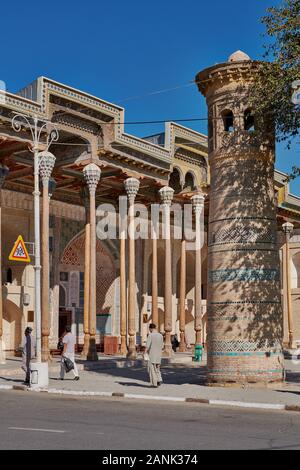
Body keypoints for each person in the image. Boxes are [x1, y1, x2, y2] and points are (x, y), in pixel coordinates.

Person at [145, 323, 164, 388]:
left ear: (150, 328)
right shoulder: (160, 335)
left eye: (149, 329)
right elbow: (162, 346)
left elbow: (147, 346)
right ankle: (159, 379)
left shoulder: (150, 335)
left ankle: (154, 383)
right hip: (159, 355)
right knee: (157, 368)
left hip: (152, 355)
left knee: (152, 369)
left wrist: (144, 353)